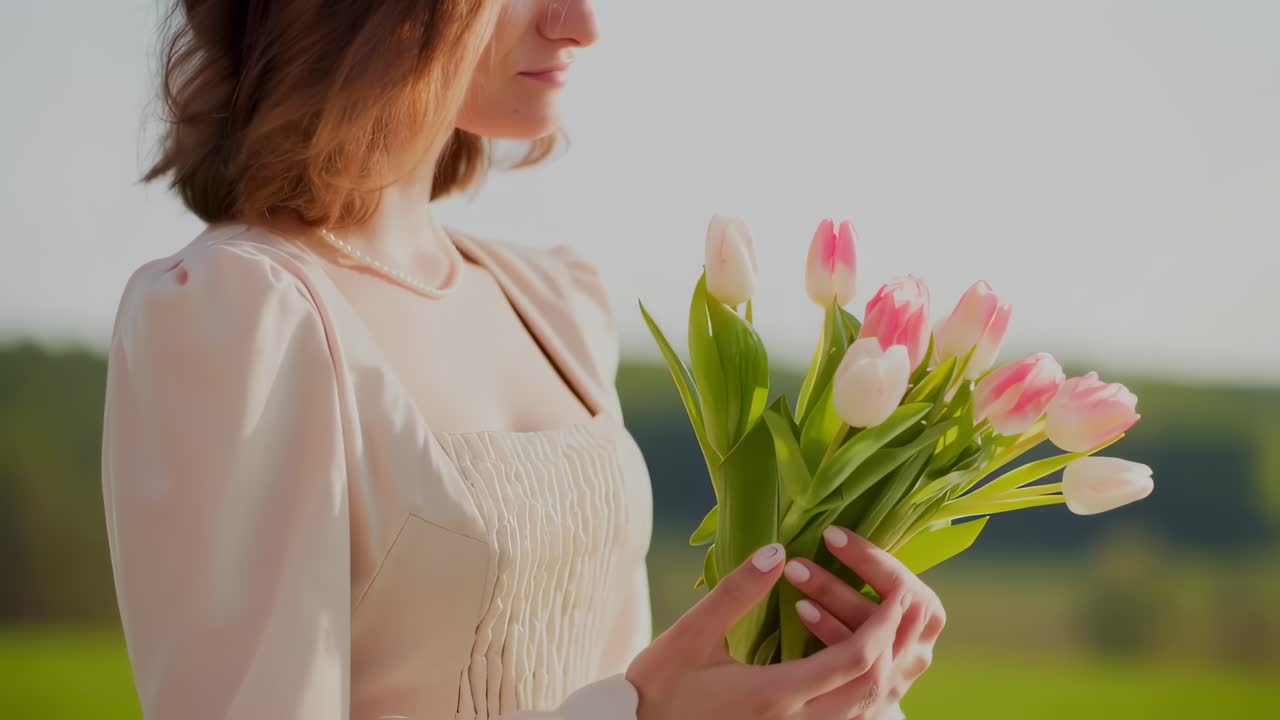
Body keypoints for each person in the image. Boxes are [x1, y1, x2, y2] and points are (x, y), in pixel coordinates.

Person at [100, 1, 945, 718]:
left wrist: (816, 681)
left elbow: (618, 679)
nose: (581, 24)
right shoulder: (238, 315)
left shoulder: (556, 302)